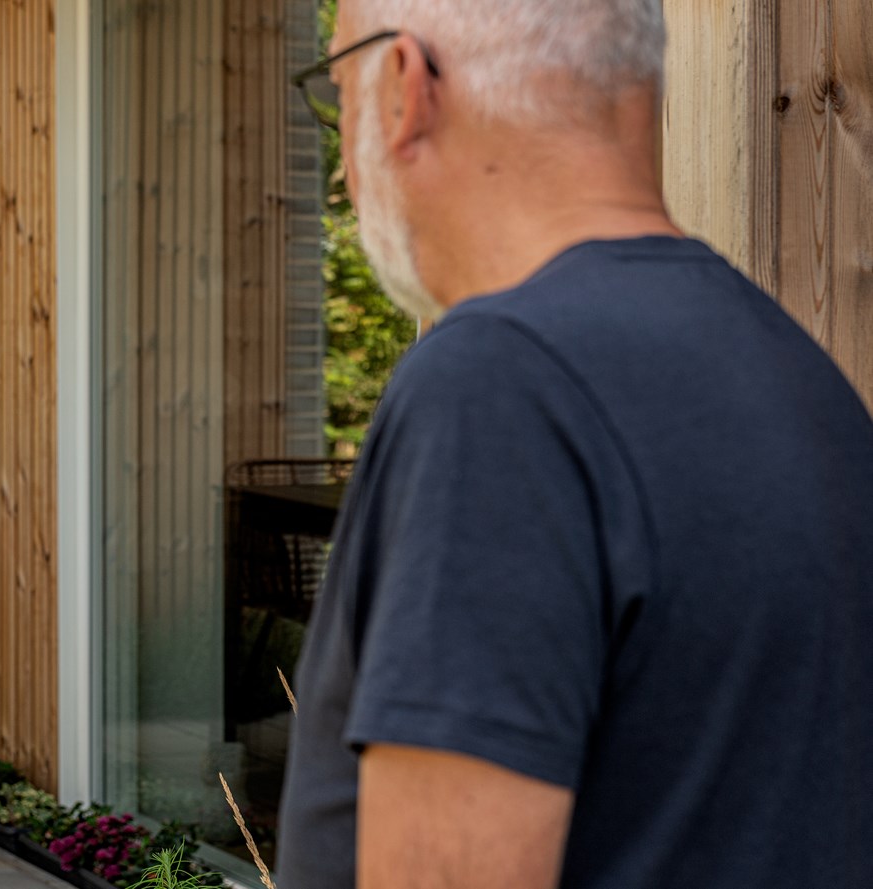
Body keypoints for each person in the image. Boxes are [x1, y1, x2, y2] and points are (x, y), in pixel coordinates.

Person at [277, 2, 873, 888]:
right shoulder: (805, 381)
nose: (341, 174)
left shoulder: (497, 387)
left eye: (339, 90)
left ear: (405, 90)